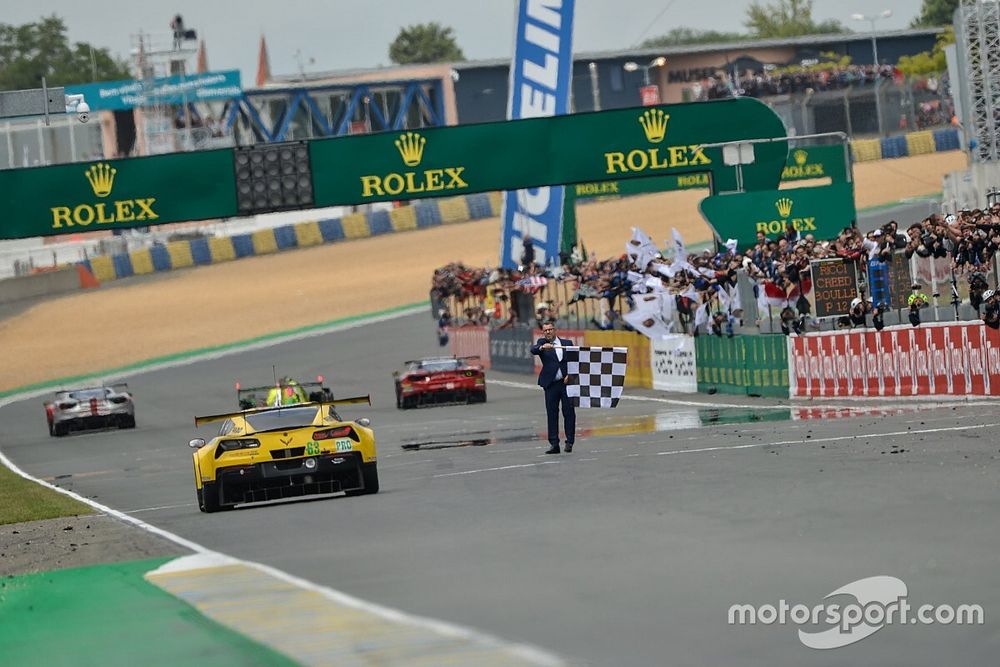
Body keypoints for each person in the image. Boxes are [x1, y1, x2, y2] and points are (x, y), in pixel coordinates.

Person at [530, 320, 576, 454]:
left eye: (550, 330)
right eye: (545, 330)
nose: (548, 332)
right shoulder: (542, 343)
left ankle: (570, 441)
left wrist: (571, 375)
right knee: (552, 413)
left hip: (566, 383)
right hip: (551, 384)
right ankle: (554, 443)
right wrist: (543, 347)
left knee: (569, 412)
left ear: (555, 330)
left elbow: (575, 361)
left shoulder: (567, 344)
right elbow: (533, 350)